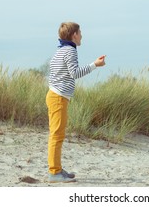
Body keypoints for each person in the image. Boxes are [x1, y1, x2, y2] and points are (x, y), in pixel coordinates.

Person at [46, 22, 106, 183]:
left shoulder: (60, 50)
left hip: (55, 95)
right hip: (58, 97)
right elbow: (75, 73)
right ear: (74, 35)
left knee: (57, 134)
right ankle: (54, 172)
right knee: (57, 135)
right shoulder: (70, 50)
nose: (81, 35)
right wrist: (95, 65)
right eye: (80, 32)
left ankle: (57, 168)